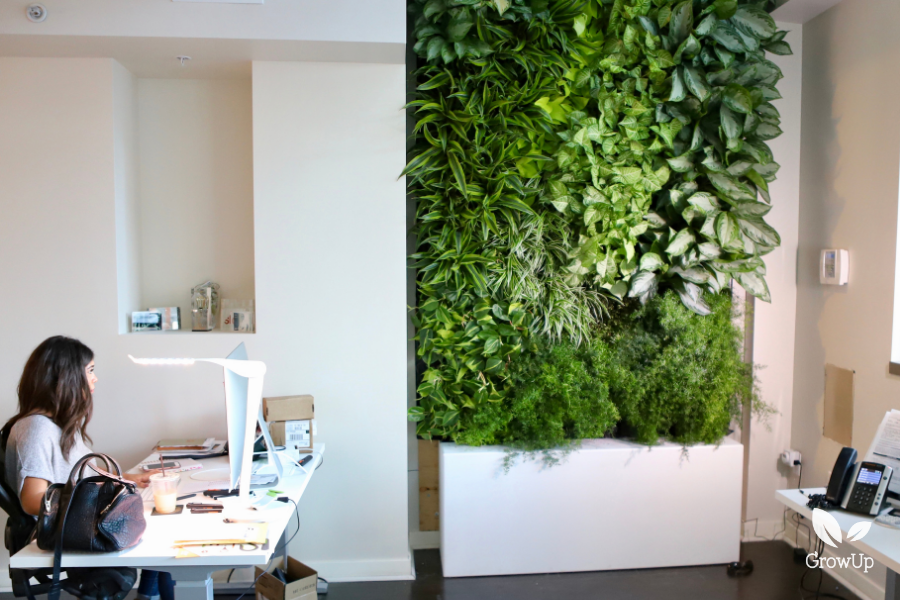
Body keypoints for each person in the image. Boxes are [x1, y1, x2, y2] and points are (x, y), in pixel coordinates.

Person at [2, 336, 175, 600]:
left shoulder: (57, 424)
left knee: (162, 532)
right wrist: (98, 500)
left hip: (76, 523)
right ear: (66, 376)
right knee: (161, 538)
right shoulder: (37, 428)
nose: (95, 379)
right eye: (90, 370)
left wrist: (129, 479)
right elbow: (32, 500)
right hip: (66, 532)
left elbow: (82, 475)